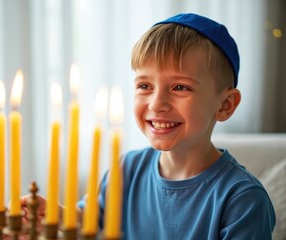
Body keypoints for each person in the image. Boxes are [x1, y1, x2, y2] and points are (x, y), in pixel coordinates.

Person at [19, 13, 276, 239]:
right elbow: (92, 219)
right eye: (145, 86)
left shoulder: (242, 200)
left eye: (180, 87)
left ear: (225, 105)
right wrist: (55, 215)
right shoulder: (127, 169)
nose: (157, 103)